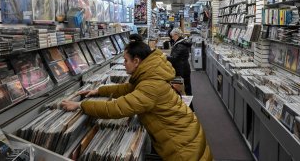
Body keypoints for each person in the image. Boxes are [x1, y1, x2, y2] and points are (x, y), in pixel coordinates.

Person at [61, 41, 212, 160]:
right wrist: (98, 90)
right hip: (182, 136)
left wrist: (81, 105)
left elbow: (116, 108)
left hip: (182, 147)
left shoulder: (151, 85)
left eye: (125, 60)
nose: (124, 63)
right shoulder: (149, 74)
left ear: (137, 61)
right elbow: (127, 89)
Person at [167, 28, 192, 95]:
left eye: (172, 36)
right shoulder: (181, 42)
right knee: (185, 86)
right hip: (183, 67)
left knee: (185, 87)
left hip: (182, 69)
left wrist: (164, 56)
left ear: (176, 35)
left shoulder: (180, 44)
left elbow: (174, 58)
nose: (172, 38)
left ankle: (188, 104)